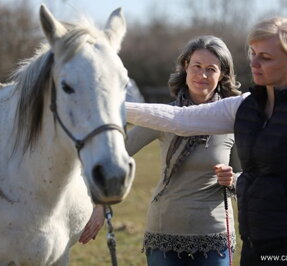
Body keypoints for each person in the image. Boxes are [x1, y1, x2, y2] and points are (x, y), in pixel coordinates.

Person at [124, 17, 287, 266]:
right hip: (254, 244)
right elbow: (180, 119)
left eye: (266, 57)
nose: (254, 63)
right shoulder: (245, 105)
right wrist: (113, 107)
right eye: (253, 53)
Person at [79, 35, 242, 266]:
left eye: (211, 69)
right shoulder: (162, 117)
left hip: (213, 237)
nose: (202, 75)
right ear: (186, 67)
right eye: (196, 66)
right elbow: (114, 154)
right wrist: (99, 204)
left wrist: (232, 178)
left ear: (223, 74)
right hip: (162, 234)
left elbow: (251, 175)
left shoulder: (233, 120)